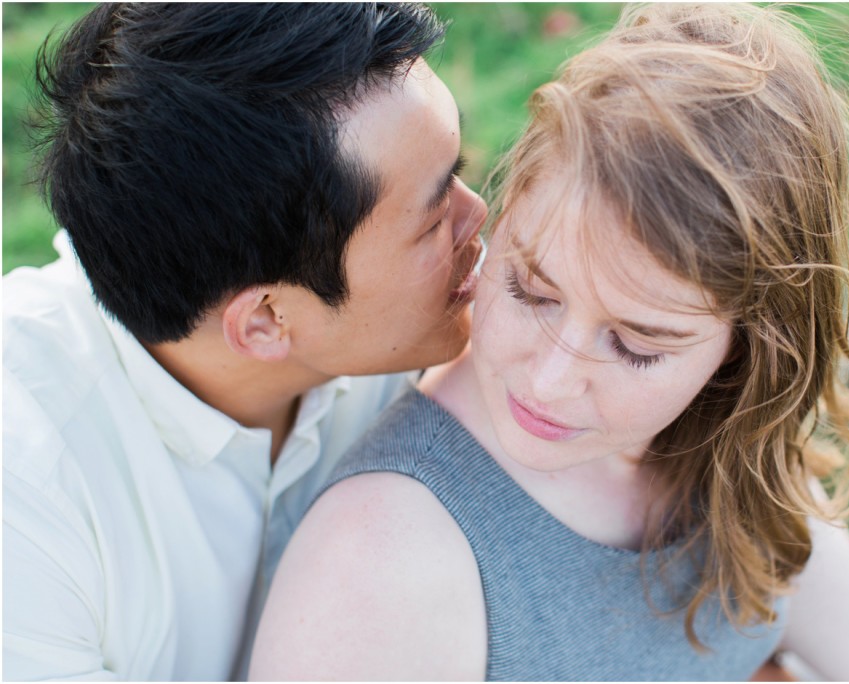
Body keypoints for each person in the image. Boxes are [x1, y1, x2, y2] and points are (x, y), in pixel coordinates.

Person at [249, 4, 849, 681]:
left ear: (749, 351)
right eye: (530, 290)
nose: (549, 382)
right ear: (507, 210)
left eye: (639, 345)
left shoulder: (721, 440)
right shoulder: (380, 561)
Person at [2, 3, 487, 680]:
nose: (480, 214)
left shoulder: (389, 328)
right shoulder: (26, 497)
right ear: (264, 323)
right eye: (434, 217)